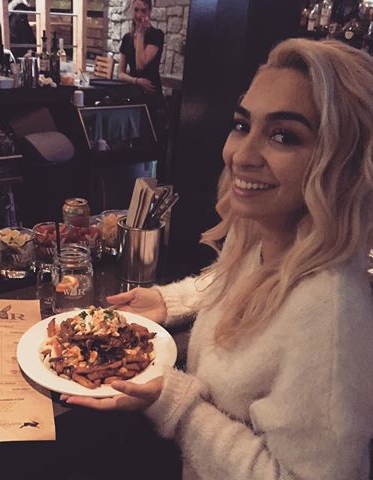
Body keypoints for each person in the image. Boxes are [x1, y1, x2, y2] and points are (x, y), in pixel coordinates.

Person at [61, 38, 373, 479]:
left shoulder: (330, 313)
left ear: (344, 161)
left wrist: (174, 403)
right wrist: (168, 301)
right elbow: (236, 283)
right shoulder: (271, 237)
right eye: (243, 125)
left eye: (284, 136)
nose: (241, 155)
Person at [118, 0, 166, 144]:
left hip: (151, 94)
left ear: (149, 12)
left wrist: (140, 35)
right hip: (134, 92)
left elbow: (140, 65)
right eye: (136, 10)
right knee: (130, 139)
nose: (139, 15)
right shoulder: (127, 38)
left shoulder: (156, 35)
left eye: (143, 10)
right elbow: (120, 73)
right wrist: (136, 81)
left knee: (148, 139)